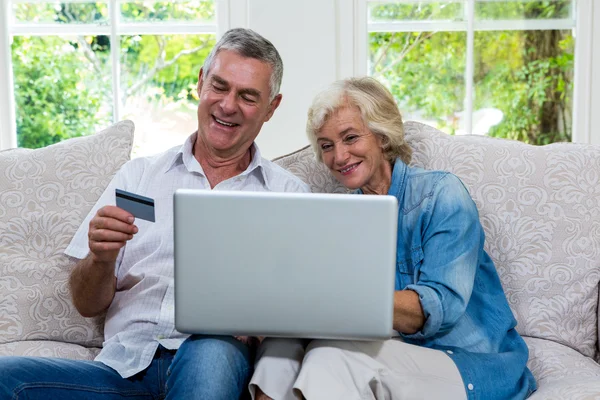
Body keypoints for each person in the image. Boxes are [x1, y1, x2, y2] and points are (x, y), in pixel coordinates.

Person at [0, 28, 309, 400]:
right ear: (200, 83)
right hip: (124, 369)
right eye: (219, 86)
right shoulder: (139, 176)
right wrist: (101, 257)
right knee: (7, 378)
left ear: (271, 108)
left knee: (211, 351)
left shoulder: (288, 195)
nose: (227, 105)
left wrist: (260, 322)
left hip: (212, 359)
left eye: (247, 96)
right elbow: (86, 304)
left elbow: (301, 310)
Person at [250, 77, 537, 400]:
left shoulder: (441, 194)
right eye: (327, 145)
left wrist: (334, 294)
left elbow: (438, 309)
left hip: (466, 359)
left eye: (350, 138)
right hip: (391, 346)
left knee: (329, 357)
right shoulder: (341, 217)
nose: (339, 156)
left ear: (382, 136)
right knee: (280, 348)